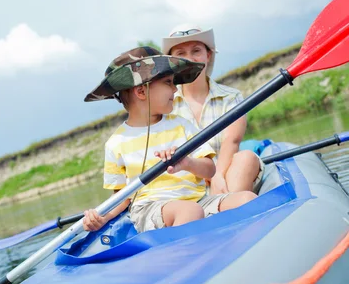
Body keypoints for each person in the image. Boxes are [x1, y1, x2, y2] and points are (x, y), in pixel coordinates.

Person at [82, 46, 256, 233]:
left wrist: (187, 163)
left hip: (197, 200)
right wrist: (103, 216)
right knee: (190, 212)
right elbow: (122, 197)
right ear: (141, 92)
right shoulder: (116, 143)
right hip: (151, 209)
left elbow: (210, 169)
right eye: (168, 83)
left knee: (247, 199)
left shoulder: (182, 124)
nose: (175, 89)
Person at [162, 25, 264, 196]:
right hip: (190, 184)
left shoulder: (231, 97)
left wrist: (217, 176)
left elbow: (231, 141)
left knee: (246, 158)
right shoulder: (165, 106)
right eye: (181, 54)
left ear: (208, 55)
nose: (190, 59)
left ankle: (228, 206)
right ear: (172, 62)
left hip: (228, 175)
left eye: (196, 51)